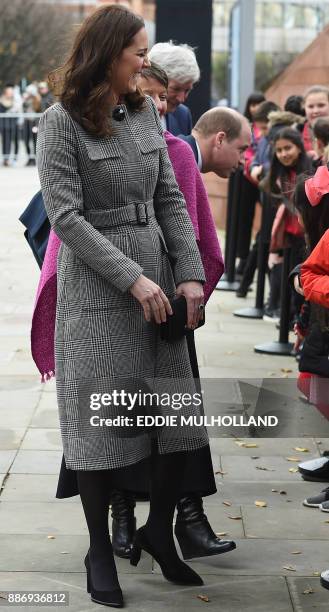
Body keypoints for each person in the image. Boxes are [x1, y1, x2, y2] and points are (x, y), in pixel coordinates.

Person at [35, 5, 215, 608]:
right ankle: (95, 548)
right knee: (99, 429)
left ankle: (158, 530)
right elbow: (66, 218)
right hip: (96, 297)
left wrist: (189, 275)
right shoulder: (59, 122)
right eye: (139, 52)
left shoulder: (144, 112)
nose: (147, 61)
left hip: (160, 283)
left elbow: (170, 198)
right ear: (108, 52)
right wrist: (133, 278)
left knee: (176, 420)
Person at [261, 127, 313, 323]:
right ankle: (284, 314)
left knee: (302, 280)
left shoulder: (311, 170)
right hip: (287, 237)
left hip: (306, 236)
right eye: (279, 150)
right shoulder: (276, 174)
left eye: (288, 148)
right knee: (284, 277)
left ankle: (297, 318)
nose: (284, 154)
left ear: (299, 147)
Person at [179, 107, 251, 178]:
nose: (242, 162)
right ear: (220, 140)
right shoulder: (178, 165)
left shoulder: (181, 158)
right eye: (241, 150)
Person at [148, 41, 200, 135]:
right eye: (176, 89)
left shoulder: (183, 115)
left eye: (187, 90)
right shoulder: (126, 113)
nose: (181, 99)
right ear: (153, 78)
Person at [302, 86, 329, 158]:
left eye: (321, 105)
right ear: (304, 108)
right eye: (310, 106)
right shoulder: (296, 133)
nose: (315, 111)